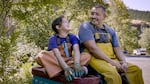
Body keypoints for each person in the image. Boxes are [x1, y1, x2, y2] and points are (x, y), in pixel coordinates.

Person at [78, 4, 144, 84]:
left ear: (104, 17)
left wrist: (124, 62)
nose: (93, 16)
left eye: (97, 14)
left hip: (112, 59)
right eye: (92, 13)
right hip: (94, 59)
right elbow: (93, 49)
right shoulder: (85, 27)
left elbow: (117, 48)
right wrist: (113, 63)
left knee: (135, 70)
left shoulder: (110, 30)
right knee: (113, 75)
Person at [36, 15, 90, 82]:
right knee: (42, 55)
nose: (68, 23)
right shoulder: (53, 39)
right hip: (56, 60)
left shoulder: (72, 37)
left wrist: (76, 64)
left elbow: (76, 51)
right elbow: (57, 55)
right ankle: (69, 70)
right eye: (65, 22)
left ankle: (53, 69)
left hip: (68, 60)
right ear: (58, 27)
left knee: (86, 55)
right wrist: (66, 68)